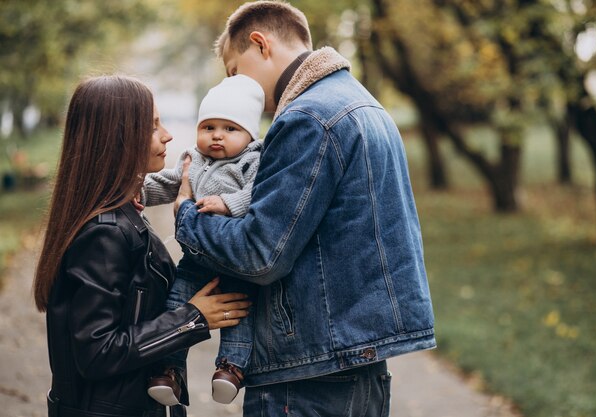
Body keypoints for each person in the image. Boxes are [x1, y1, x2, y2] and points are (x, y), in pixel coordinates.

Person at [174, 1, 436, 416]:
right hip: (356, 361)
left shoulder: (307, 118)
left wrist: (186, 216)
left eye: (235, 73)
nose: (235, 90)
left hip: (309, 374)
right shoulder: (362, 103)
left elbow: (260, 254)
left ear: (260, 44)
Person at [32, 75, 251, 417]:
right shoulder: (103, 233)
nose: (168, 136)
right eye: (153, 127)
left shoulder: (120, 215)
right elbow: (96, 351)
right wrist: (193, 318)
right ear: (118, 139)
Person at [141, 74, 264, 405]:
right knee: (176, 304)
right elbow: (167, 183)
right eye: (209, 127)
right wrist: (134, 192)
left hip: (235, 259)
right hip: (195, 261)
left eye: (229, 129)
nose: (217, 136)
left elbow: (258, 195)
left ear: (250, 135)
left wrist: (228, 203)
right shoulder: (192, 160)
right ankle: (169, 370)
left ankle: (231, 367)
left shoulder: (254, 161)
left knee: (238, 313)